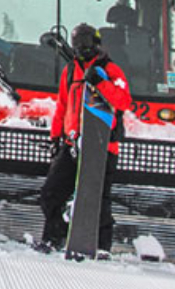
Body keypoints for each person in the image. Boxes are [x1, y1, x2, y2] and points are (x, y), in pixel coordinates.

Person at [35, 23, 132, 254]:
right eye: (78, 46)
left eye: (86, 45)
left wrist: (101, 84)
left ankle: (102, 245)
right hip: (72, 144)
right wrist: (56, 137)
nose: (82, 50)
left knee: (98, 198)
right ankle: (54, 237)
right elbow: (63, 105)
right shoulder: (70, 71)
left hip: (102, 146)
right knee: (50, 193)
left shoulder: (111, 71)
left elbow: (123, 101)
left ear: (97, 45)